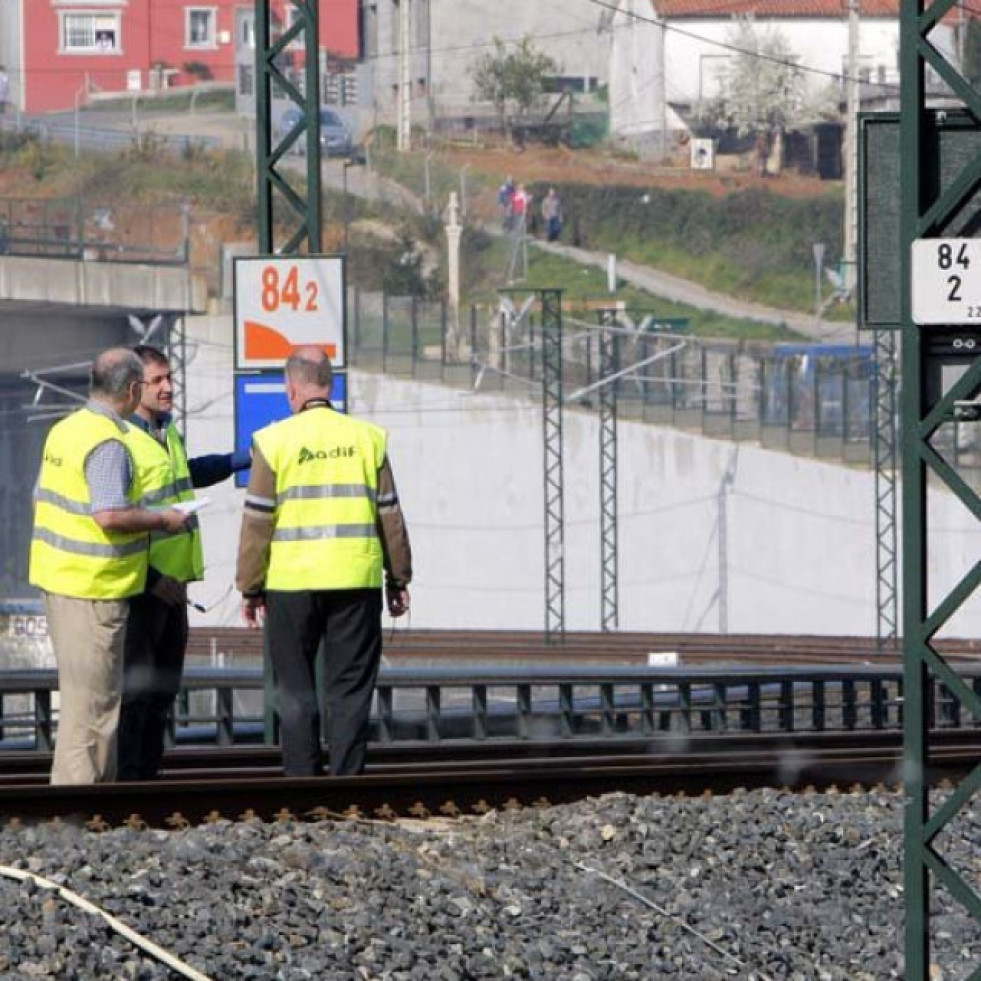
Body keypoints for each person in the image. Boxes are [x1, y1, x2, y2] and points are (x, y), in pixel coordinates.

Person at [236, 346, 412, 777]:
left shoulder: (274, 441)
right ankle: (346, 785)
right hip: (356, 579)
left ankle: (302, 784)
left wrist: (250, 586)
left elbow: (258, 522)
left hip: (291, 585)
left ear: (291, 390)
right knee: (350, 689)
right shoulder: (367, 439)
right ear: (329, 385)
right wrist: (399, 577)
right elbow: (388, 512)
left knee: (295, 688)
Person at [29, 348, 190, 785]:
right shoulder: (108, 442)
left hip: (60, 582)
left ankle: (74, 802)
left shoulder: (65, 431)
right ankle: (86, 809)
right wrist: (164, 520)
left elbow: (41, 498)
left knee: (80, 706)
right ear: (133, 389)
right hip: (94, 589)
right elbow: (109, 515)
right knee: (97, 710)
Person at [117, 344, 251, 781]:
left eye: (169, 378)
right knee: (134, 696)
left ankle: (147, 784)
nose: (168, 387)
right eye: (157, 381)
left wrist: (238, 460)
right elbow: (111, 522)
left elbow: (186, 476)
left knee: (160, 692)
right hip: (141, 588)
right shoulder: (122, 441)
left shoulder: (164, 432)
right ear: (133, 386)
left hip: (174, 589)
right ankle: (127, 787)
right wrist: (151, 578)